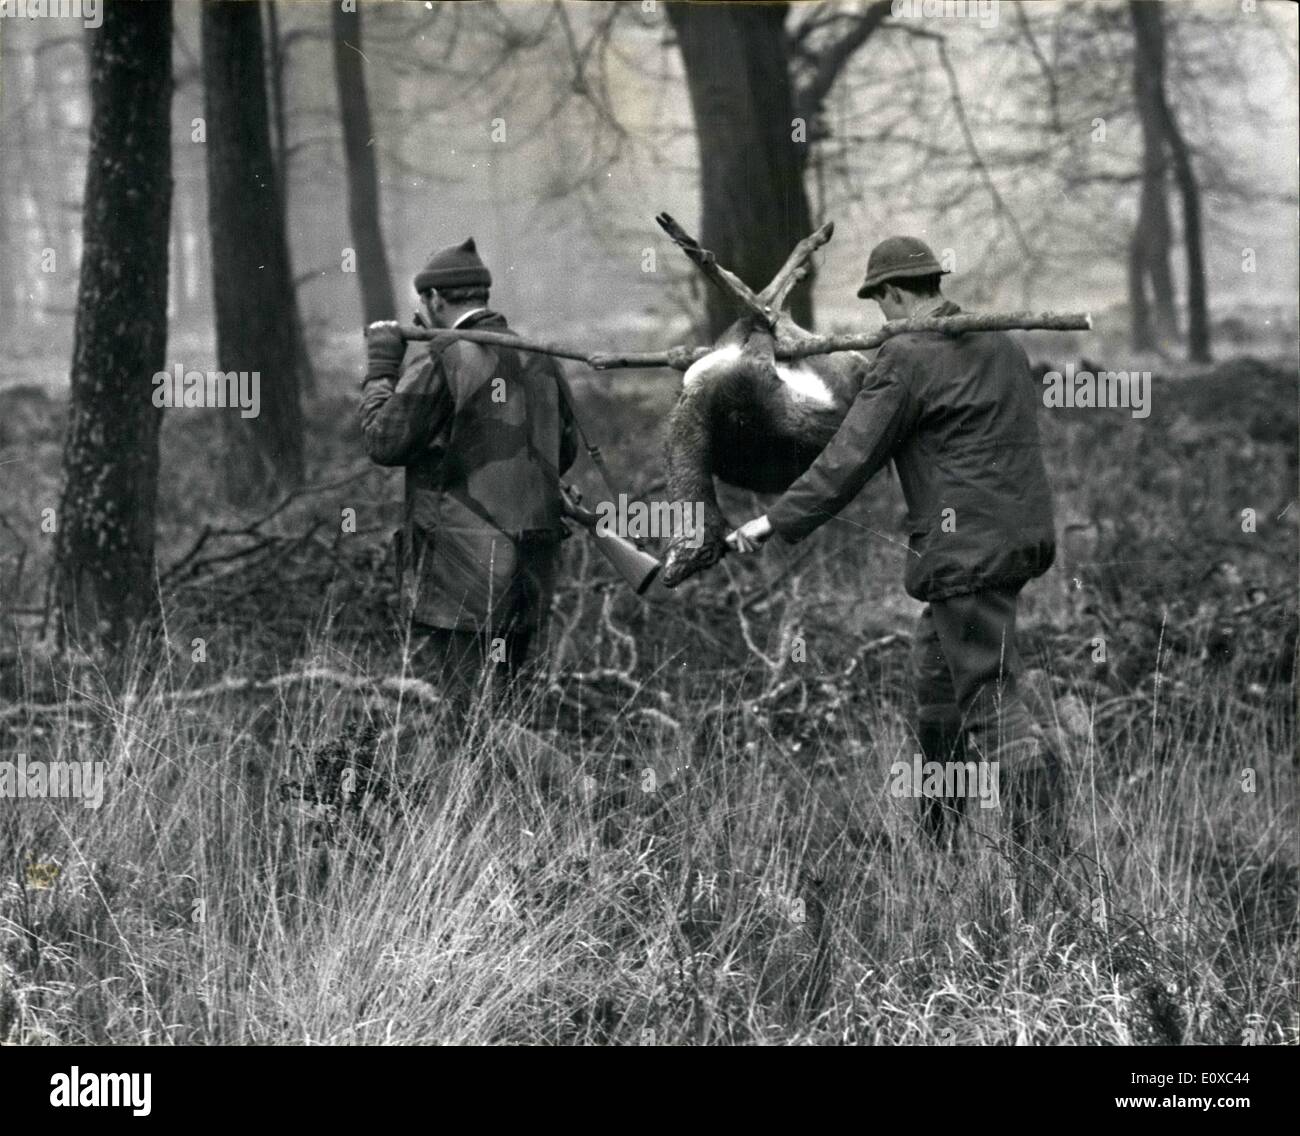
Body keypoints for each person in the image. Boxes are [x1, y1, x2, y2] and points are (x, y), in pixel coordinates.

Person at [726, 236, 1063, 849]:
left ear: (896, 293)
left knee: (992, 703)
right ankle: (940, 845)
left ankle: (1048, 870)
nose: (880, 316)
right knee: (938, 685)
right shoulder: (1002, 343)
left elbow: (849, 456)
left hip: (967, 555)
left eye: (880, 302)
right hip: (1016, 538)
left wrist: (774, 521)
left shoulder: (906, 358)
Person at [359, 237, 578, 721]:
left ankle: (562, 791)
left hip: (464, 574)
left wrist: (380, 369)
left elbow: (382, 441)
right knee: (510, 707)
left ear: (435, 300)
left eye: (423, 303)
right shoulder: (539, 357)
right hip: (532, 570)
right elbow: (563, 453)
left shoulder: (446, 360)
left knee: (470, 716)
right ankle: (531, 795)